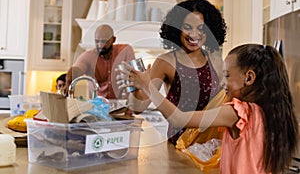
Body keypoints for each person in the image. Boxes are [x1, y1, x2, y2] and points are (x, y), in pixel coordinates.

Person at [119, 43, 298, 173]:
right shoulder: (267, 113)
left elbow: (179, 119)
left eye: (227, 75)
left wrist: (148, 88)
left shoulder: (237, 112)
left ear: (249, 78)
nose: (222, 82)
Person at [125, 0, 227, 144]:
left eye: (201, 28)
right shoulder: (165, 62)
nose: (194, 34)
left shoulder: (216, 61)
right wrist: (136, 86)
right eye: (187, 27)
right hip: (179, 145)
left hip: (210, 145)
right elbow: (137, 108)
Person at [65, 24, 135, 99]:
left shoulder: (125, 51)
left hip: (121, 104)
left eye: (104, 41)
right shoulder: (88, 56)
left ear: (113, 39)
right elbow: (76, 69)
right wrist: (69, 82)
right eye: (97, 41)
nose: (100, 45)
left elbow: (134, 77)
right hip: (97, 105)